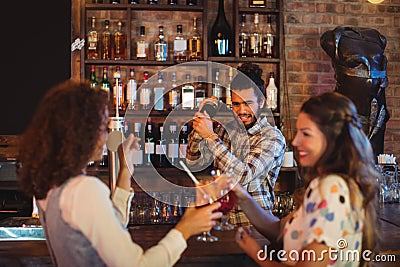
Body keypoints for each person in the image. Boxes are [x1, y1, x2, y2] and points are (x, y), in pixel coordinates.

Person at [17, 80, 222, 267]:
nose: (107, 135)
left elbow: (111, 224)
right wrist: (186, 228)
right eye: (102, 128)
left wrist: (126, 170)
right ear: (82, 133)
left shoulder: (52, 186)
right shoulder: (84, 189)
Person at [233, 92, 379, 266]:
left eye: (306, 134)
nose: (295, 141)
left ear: (332, 138)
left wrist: (257, 254)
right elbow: (279, 229)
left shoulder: (332, 189)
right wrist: (242, 196)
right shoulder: (326, 185)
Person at [186, 62, 286, 226]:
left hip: (255, 228)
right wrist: (202, 121)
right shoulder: (226, 130)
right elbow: (192, 161)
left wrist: (210, 136)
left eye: (248, 104)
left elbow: (243, 176)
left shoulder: (272, 138)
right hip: (222, 223)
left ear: (261, 102)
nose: (241, 111)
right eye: (236, 104)